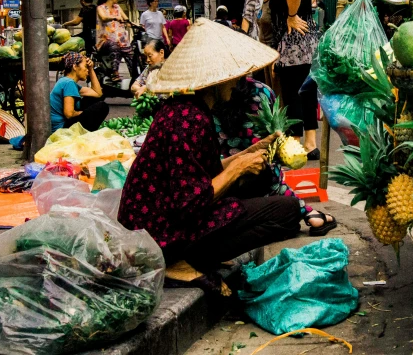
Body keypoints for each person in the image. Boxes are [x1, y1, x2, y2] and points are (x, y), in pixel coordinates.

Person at [119, 19, 336, 295]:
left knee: (266, 196)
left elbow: (202, 172)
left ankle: (195, 255)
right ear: (216, 80)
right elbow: (191, 203)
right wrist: (238, 169)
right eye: (232, 78)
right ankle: (182, 262)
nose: (237, 84)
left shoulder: (189, 109)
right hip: (163, 235)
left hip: (161, 225)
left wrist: (248, 155)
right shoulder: (190, 119)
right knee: (287, 212)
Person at [249, 0, 323, 156]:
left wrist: (292, 15)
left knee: (292, 94)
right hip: (308, 39)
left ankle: (294, 146)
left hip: (292, 43)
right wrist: (304, 10)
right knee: (308, 92)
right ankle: (311, 144)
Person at [49, 52, 108, 132]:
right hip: (61, 129)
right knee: (102, 107)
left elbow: (98, 93)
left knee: (93, 99)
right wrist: (86, 114)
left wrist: (91, 69)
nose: (87, 70)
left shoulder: (66, 81)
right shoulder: (68, 83)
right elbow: (69, 114)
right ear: (75, 67)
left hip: (64, 124)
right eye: (85, 67)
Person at [96, 0, 135, 83]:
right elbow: (103, 18)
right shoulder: (100, 8)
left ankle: (135, 76)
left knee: (132, 55)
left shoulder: (117, 7)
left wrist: (135, 25)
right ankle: (114, 73)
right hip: (105, 41)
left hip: (121, 40)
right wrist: (114, 18)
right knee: (115, 46)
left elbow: (126, 20)